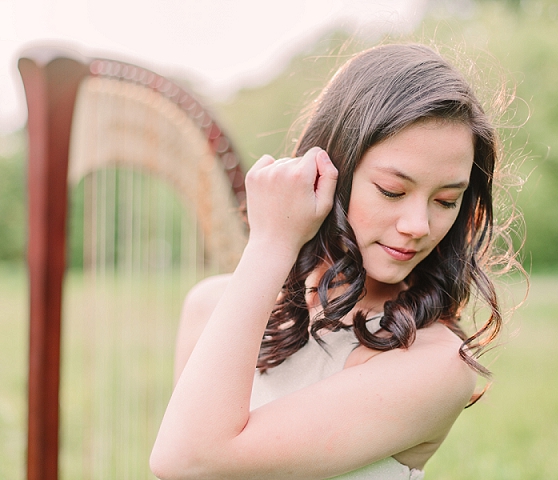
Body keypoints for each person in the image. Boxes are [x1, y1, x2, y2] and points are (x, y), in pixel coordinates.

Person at [150, 43, 517, 479]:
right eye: (392, 191)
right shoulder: (210, 307)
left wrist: (270, 242)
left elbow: (190, 460)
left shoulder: (437, 364)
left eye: (446, 200)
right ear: (330, 170)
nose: (418, 224)